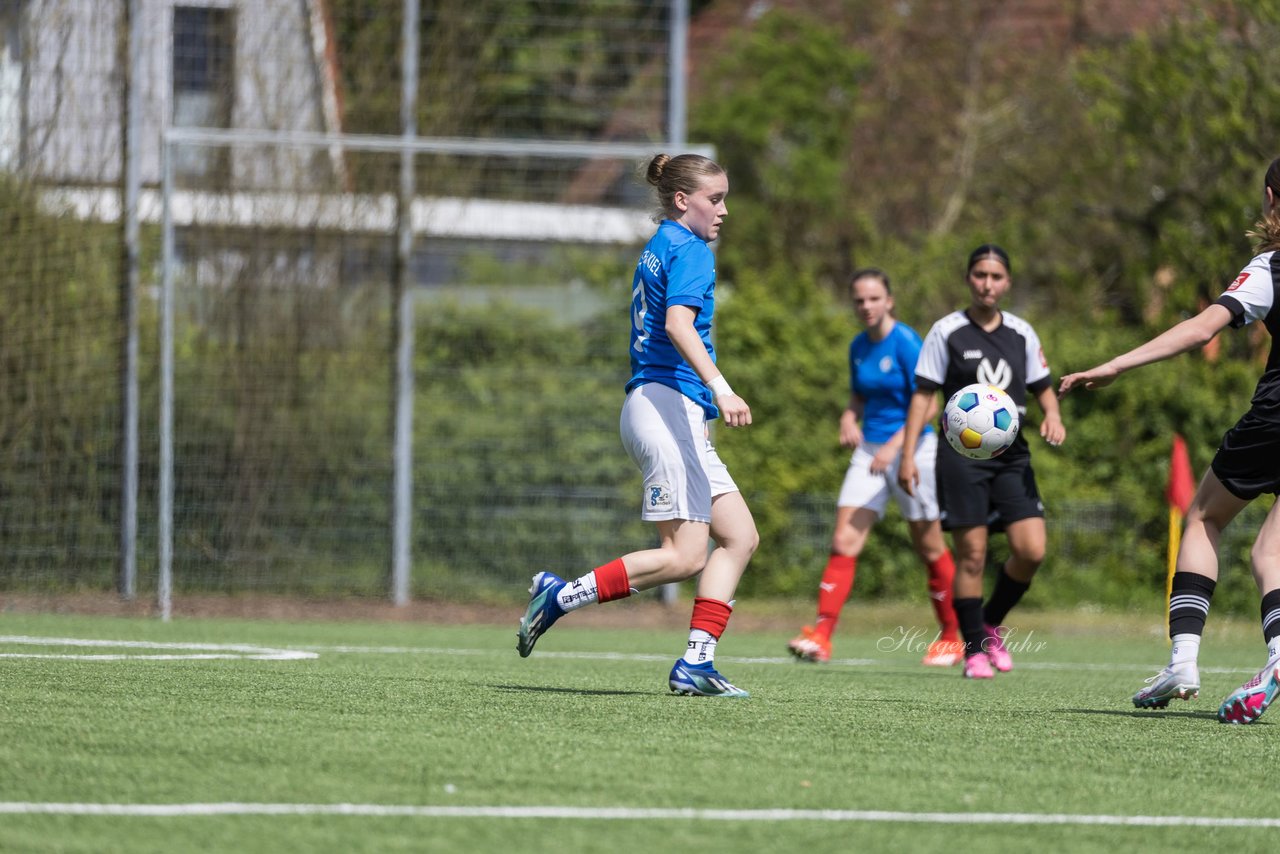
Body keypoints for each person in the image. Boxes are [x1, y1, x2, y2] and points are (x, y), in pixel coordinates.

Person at [516, 152, 759, 698]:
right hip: (668, 405)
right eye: (714, 199)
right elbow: (678, 324)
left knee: (739, 536)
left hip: (663, 406)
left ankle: (697, 663)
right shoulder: (692, 250)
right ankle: (560, 596)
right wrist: (722, 386)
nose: (723, 211)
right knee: (685, 555)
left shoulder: (660, 245)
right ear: (682, 200)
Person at [1058, 156, 1280, 724]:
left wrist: (1115, 364)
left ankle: (1183, 660)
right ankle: (1279, 653)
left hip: (1275, 419)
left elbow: (1202, 326)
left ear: (1272, 199)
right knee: (1270, 552)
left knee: (1203, 517)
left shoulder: (1271, 268)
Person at [898, 244, 1067, 679]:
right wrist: (908, 455)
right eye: (979, 275)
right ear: (968, 279)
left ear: (1007, 282)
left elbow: (1043, 384)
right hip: (961, 458)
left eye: (995, 276)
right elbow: (923, 393)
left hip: (1013, 457)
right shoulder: (947, 331)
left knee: (1031, 550)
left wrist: (1053, 414)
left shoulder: (1021, 333)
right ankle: (973, 649)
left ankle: (990, 622)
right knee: (970, 555)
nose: (987, 283)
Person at [788, 268, 962, 667]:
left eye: (873, 299)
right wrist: (849, 419)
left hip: (913, 450)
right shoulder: (858, 347)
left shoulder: (906, 342)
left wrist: (895, 448)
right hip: (870, 452)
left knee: (929, 544)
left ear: (889, 301)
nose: (865, 306)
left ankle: (952, 637)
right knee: (843, 540)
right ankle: (821, 636)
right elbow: (858, 398)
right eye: (859, 300)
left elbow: (931, 403)